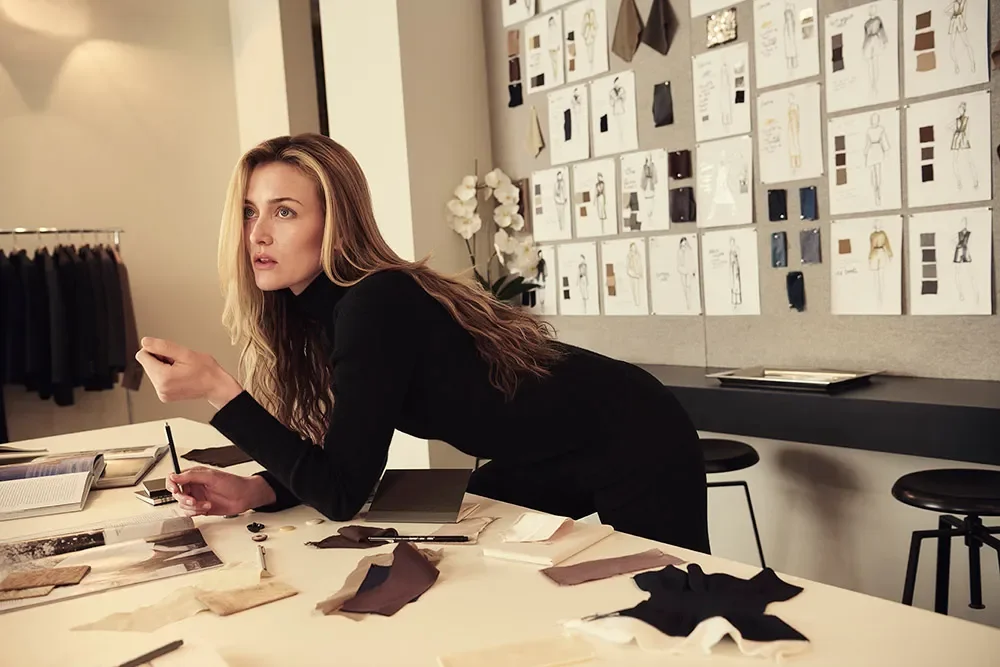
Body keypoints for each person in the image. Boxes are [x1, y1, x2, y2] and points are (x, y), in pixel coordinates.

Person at [135, 134, 710, 554]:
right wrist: (256, 489)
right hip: (545, 451)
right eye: (249, 212)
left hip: (634, 433)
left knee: (672, 600)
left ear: (335, 221)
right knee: (456, 547)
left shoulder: (373, 303)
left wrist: (220, 391)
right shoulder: (324, 314)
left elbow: (340, 492)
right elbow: (344, 465)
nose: (257, 233)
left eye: (284, 212)